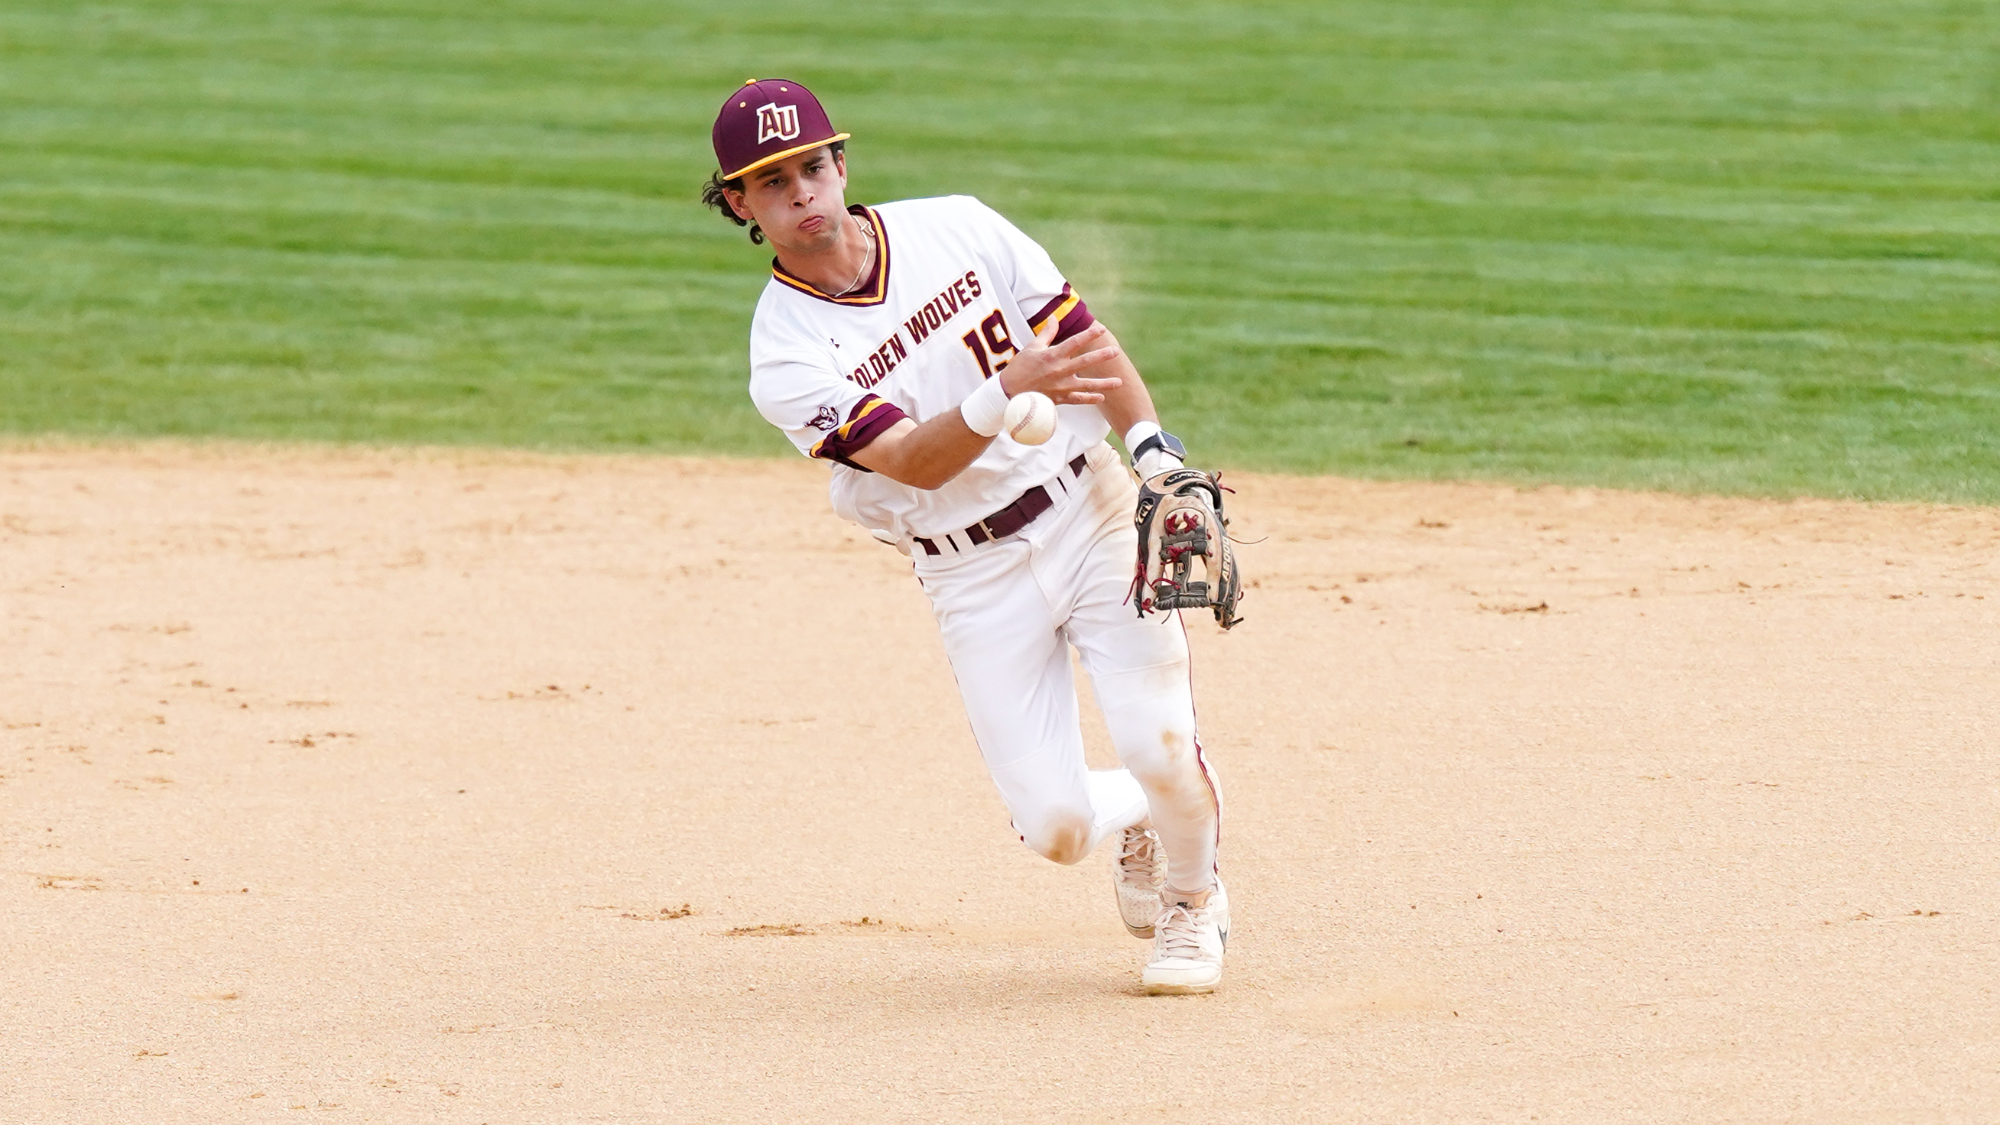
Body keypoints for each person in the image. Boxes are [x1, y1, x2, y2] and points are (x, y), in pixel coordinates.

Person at [702, 78, 1229, 993]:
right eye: (772, 181)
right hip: (972, 571)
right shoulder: (784, 351)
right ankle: (1141, 815)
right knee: (1056, 826)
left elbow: (1083, 343)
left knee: (1159, 739)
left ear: (841, 164)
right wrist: (1004, 389)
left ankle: (1194, 902)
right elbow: (911, 459)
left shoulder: (959, 228)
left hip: (1089, 508)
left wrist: (1151, 453)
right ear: (739, 203)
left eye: (813, 167)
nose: (802, 194)